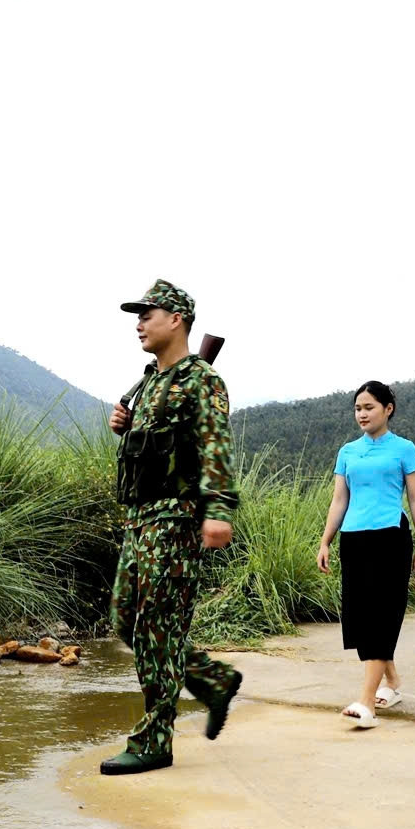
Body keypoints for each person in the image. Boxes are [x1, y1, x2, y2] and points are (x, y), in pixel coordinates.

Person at [102, 279, 243, 774]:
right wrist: (124, 424)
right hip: (139, 519)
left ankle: (154, 739)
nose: (139, 322)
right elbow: (150, 448)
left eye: (148, 313)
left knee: (158, 628)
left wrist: (219, 509)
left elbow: (215, 444)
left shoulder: (202, 379)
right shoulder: (148, 382)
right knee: (125, 619)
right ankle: (210, 678)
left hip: (176, 518)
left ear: (177, 319)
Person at [318, 381, 415, 728]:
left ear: (388, 409)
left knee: (382, 615)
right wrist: (325, 540)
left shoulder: (404, 449)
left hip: (390, 538)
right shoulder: (348, 451)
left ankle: (367, 702)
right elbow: (340, 500)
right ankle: (392, 681)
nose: (362, 414)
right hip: (353, 539)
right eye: (357, 408)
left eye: (369, 407)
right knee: (361, 617)